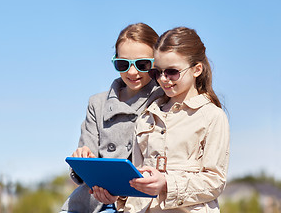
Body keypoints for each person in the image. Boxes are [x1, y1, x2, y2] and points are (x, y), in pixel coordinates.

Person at [92, 27, 230, 213]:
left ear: (197, 69)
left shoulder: (212, 117)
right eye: (157, 73)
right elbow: (138, 174)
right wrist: (117, 194)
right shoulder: (147, 115)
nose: (164, 79)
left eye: (172, 72)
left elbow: (215, 181)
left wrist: (166, 184)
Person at [61, 23, 164, 213]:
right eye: (123, 64)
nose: (132, 72)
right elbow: (86, 165)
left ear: (156, 62)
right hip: (92, 202)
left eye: (142, 64)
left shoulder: (164, 99)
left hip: (138, 204)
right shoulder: (97, 104)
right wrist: (82, 159)